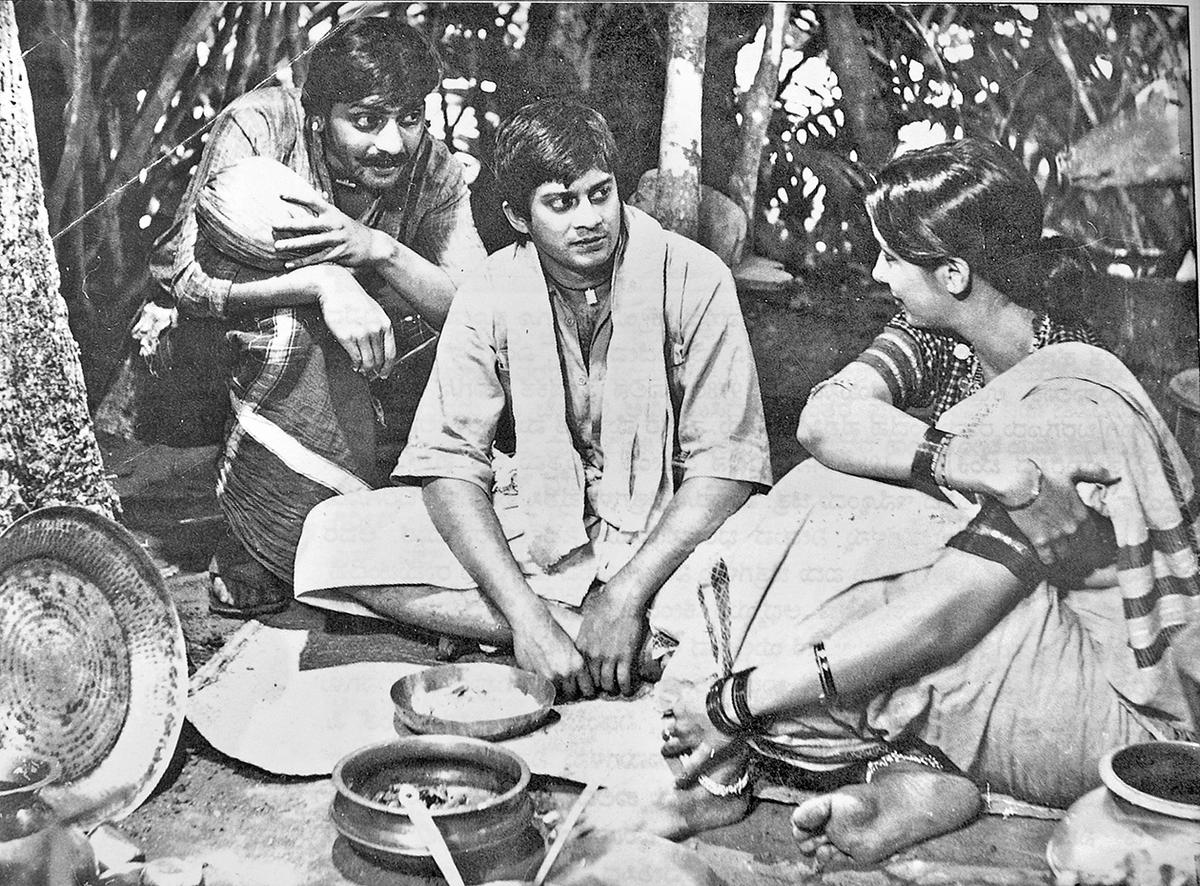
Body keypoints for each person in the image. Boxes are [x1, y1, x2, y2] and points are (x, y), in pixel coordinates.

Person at [629, 138, 1200, 862]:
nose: (876, 272)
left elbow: (944, 616)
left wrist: (736, 699)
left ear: (954, 273)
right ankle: (917, 777)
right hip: (1032, 638)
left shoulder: (1067, 398)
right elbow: (827, 421)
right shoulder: (948, 340)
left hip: (1129, 723)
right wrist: (964, 462)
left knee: (857, 623)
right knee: (827, 495)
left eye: (892, 259)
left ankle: (732, 748)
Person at [292, 99, 772, 699]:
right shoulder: (490, 290)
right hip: (543, 520)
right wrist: (529, 618)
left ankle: (613, 622)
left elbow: (726, 466)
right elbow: (448, 467)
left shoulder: (695, 277)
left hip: (666, 525)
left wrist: (625, 592)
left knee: (769, 573)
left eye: (601, 194)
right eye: (561, 203)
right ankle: (591, 636)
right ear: (519, 217)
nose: (590, 219)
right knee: (334, 536)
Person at [148, 17, 486, 617]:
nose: (391, 143)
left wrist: (376, 247)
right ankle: (257, 538)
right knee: (296, 331)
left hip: (371, 356)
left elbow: (477, 307)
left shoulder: (431, 168)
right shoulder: (262, 124)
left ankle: (347, 517)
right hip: (213, 343)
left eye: (410, 118)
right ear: (317, 114)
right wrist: (322, 281)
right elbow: (179, 273)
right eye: (365, 120)